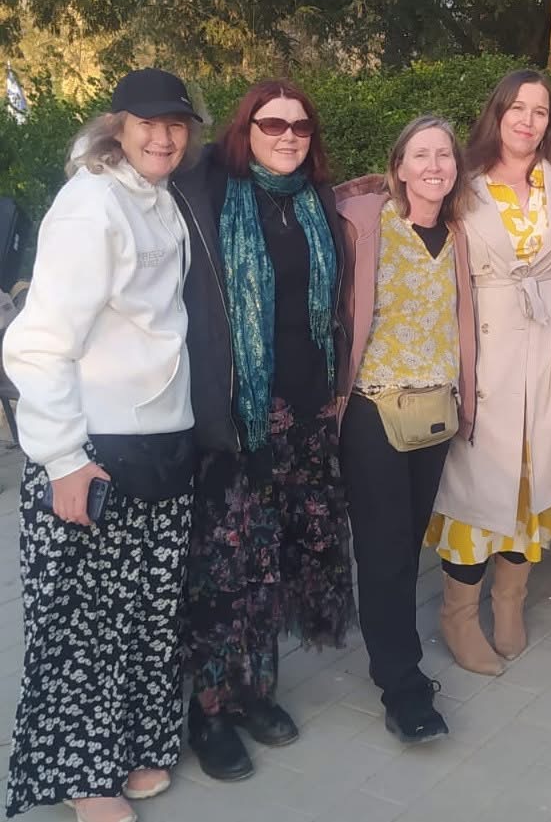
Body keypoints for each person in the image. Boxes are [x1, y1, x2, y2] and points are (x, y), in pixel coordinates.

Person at [4, 69, 201, 822]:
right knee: (84, 623)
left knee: (148, 612)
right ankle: (84, 777)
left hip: (163, 439)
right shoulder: (90, 206)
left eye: (176, 123)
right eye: (147, 123)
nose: (163, 136)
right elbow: (39, 343)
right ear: (118, 127)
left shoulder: (162, 198)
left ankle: (138, 744)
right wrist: (61, 458)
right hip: (94, 449)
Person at [171, 80, 355, 781]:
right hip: (237, 416)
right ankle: (209, 712)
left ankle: (256, 693)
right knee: (226, 569)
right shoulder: (209, 191)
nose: (287, 136)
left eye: (300, 127)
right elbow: (152, 159)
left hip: (306, 415)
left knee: (275, 558)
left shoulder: (317, 200)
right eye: (272, 124)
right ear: (244, 128)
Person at [426, 70, 551, 675]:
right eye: (516, 108)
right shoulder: (460, 179)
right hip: (483, 347)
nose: (527, 120)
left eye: (540, 111)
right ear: (496, 113)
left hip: (549, 348)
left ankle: (509, 599)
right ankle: (458, 613)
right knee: (475, 487)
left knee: (532, 479)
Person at [333, 116, 475, 742]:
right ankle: (402, 684)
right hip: (374, 408)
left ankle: (392, 653)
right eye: (420, 154)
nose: (434, 165)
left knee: (409, 541)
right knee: (385, 548)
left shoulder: (461, 232)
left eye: (444, 154)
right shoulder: (369, 224)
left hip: (436, 410)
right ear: (398, 166)